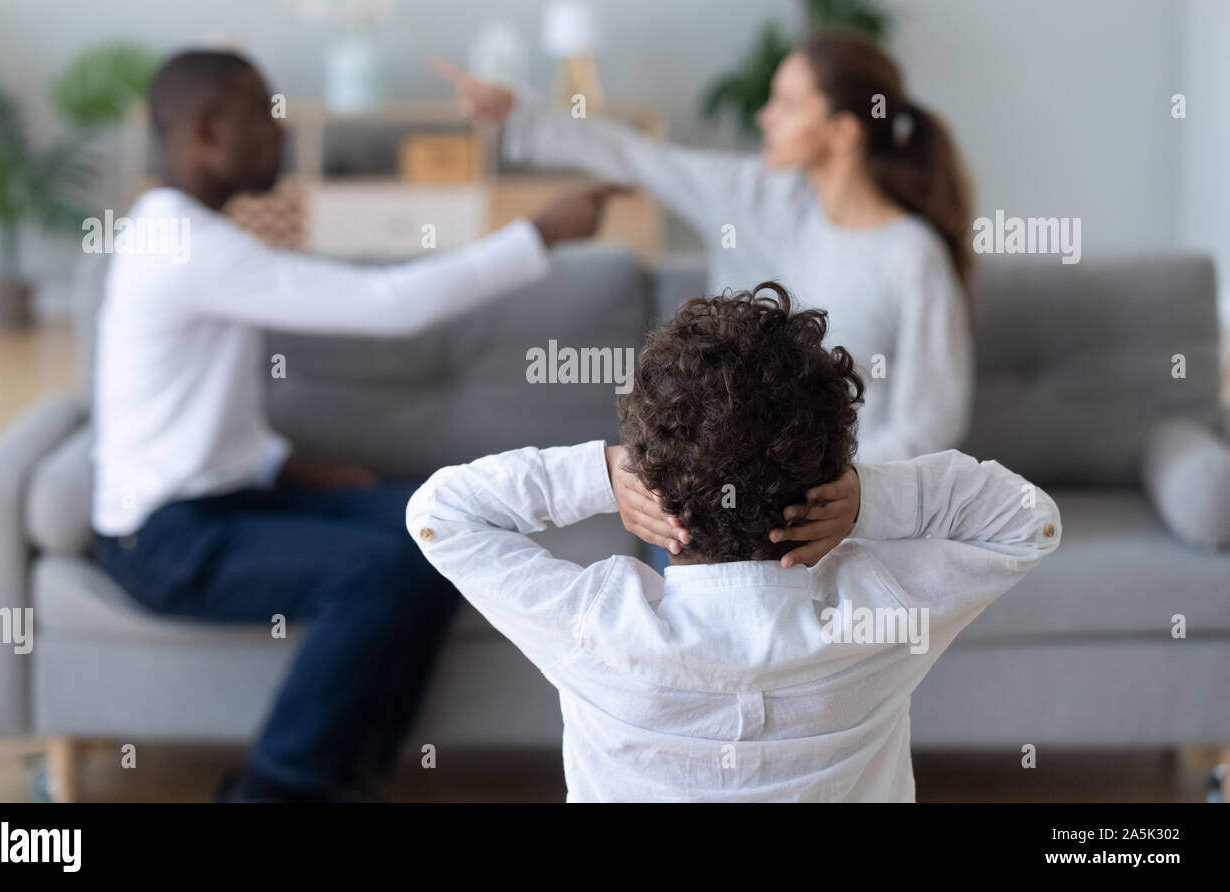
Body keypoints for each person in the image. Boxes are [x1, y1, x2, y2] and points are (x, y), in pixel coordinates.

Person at [91, 50, 619, 801]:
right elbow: (388, 306)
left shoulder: (186, 234)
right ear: (206, 133)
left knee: (438, 524)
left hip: (231, 499)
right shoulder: (184, 246)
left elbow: (185, 414)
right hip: (167, 539)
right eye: (264, 117)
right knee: (381, 569)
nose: (281, 132)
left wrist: (287, 465)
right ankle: (276, 784)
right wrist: (539, 234)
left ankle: (345, 773)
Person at [407, 282, 1059, 802]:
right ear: (826, 474)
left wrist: (602, 473)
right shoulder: (882, 612)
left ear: (650, 479)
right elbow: (1030, 521)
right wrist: (869, 497)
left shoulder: (595, 628)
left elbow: (439, 513)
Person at [435, 30, 976, 566]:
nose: (765, 117)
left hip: (840, 509)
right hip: (720, 491)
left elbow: (931, 420)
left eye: (787, 105)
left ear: (842, 131)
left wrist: (850, 495)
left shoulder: (912, 255)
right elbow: (638, 155)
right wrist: (519, 111)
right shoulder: (753, 195)